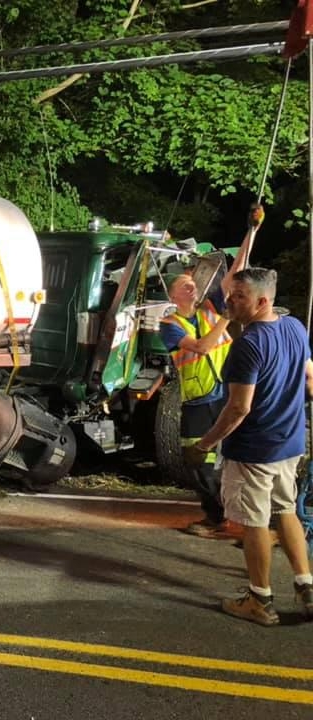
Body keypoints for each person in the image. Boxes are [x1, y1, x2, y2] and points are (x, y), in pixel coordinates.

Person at [184, 267, 313, 626]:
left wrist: (205, 444)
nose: (230, 302)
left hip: (255, 449)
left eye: (239, 297)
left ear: (262, 300)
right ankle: (307, 588)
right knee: (286, 509)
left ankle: (259, 599)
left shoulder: (248, 345)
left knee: (255, 521)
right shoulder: (296, 328)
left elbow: (239, 408)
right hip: (290, 443)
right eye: (231, 294)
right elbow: (309, 379)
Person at [159, 220, 255, 536]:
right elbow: (201, 347)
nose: (192, 287)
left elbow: (237, 271)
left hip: (225, 396)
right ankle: (222, 516)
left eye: (193, 284)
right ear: (172, 296)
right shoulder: (170, 324)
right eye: (184, 285)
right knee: (196, 459)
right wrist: (226, 318)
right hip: (200, 399)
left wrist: (251, 230)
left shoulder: (209, 309)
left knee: (236, 459)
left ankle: (228, 519)